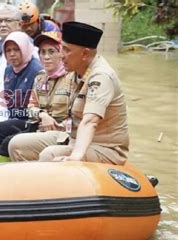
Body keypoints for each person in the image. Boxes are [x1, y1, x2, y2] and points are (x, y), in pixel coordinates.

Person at [8, 21, 129, 165]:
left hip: (104, 148)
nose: (61, 56)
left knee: (49, 155)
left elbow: (90, 121)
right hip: (72, 137)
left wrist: (76, 156)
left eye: (66, 50)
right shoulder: (75, 73)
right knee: (16, 145)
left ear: (85, 53)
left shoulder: (101, 76)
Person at [0, 30, 74, 158]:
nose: (46, 57)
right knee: (0, 134)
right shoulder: (40, 78)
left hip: (63, 132)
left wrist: (57, 125)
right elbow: (30, 107)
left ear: (62, 53)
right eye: (42, 52)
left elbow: (78, 117)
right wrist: (42, 115)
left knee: (11, 142)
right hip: (39, 128)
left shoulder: (73, 79)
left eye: (51, 51)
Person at [0, 31, 42, 163]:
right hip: (12, 115)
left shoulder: (36, 71)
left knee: (0, 129)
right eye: (8, 50)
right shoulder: (9, 69)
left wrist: (2, 123)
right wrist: (1, 119)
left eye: (16, 49)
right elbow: (4, 100)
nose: (12, 54)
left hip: (29, 119)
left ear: (25, 49)